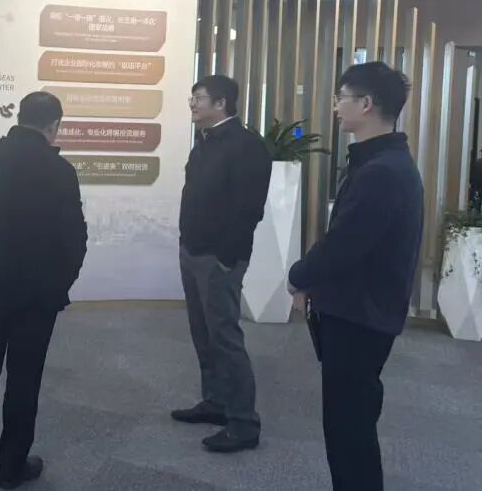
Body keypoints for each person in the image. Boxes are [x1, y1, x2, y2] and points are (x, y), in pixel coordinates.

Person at [288, 62, 423, 491]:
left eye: (341, 98)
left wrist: (298, 275)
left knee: (350, 431)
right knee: (350, 423)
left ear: (366, 104)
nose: (335, 107)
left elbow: (345, 244)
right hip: (360, 310)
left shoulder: (382, 171)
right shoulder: (381, 161)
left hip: (360, 316)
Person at [0, 91, 88, 489]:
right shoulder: (60, 171)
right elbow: (75, 236)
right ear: (54, 126)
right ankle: (12, 467)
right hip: (38, 290)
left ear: (19, 116)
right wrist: (63, 282)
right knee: (24, 376)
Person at [173, 75, 271, 453]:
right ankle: (215, 402)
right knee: (203, 334)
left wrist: (227, 259)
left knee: (225, 338)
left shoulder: (247, 146)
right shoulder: (205, 140)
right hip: (193, 251)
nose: (192, 104)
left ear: (221, 104)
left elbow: (248, 210)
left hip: (219, 259)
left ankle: (244, 422)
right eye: (192, 97)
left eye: (198, 98)